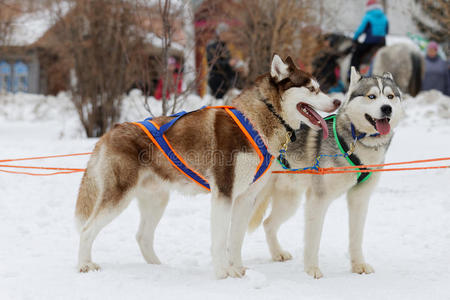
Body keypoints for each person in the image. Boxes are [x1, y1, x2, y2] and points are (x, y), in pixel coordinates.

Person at [350, 0, 389, 72]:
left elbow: (360, 30)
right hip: (382, 42)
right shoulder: (384, 16)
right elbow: (386, 31)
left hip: (370, 42)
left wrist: (355, 38)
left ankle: (351, 74)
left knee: (356, 54)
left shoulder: (368, 16)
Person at [206, 23, 237, 99]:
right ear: (220, 33)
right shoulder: (212, 47)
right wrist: (228, 63)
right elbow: (212, 63)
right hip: (216, 81)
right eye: (225, 33)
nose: (227, 35)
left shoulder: (225, 47)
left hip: (225, 82)